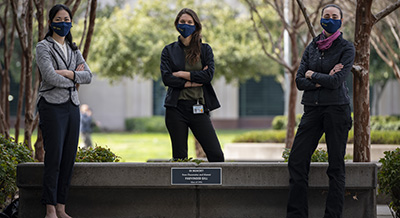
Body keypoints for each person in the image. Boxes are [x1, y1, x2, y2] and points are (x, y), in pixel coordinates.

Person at [286, 4, 355, 218]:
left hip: (337, 110)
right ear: (321, 19)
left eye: (335, 16)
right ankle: (297, 214)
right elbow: (298, 81)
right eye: (327, 16)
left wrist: (312, 75)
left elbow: (336, 82)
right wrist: (317, 78)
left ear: (340, 21)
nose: (330, 19)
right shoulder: (312, 46)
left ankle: (332, 215)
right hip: (312, 111)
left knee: (336, 166)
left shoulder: (346, 48)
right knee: (296, 161)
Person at [36, 4, 92, 218]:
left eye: (67, 19)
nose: (63, 23)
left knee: (69, 157)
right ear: (50, 23)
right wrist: (73, 77)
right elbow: (49, 76)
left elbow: (88, 75)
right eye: (58, 19)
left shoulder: (73, 49)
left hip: (72, 106)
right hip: (51, 106)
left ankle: (61, 207)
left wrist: (67, 73)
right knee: (55, 157)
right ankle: (50, 208)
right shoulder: (43, 47)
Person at [160, 8, 224, 162]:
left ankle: (214, 187)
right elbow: (167, 79)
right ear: (177, 24)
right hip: (176, 109)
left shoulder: (205, 50)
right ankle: (183, 187)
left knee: (216, 155)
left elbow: (208, 76)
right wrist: (193, 82)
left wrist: (181, 74)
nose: (186, 25)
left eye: (190, 22)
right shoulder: (169, 51)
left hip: (199, 108)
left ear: (196, 25)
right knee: (180, 158)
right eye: (182, 22)